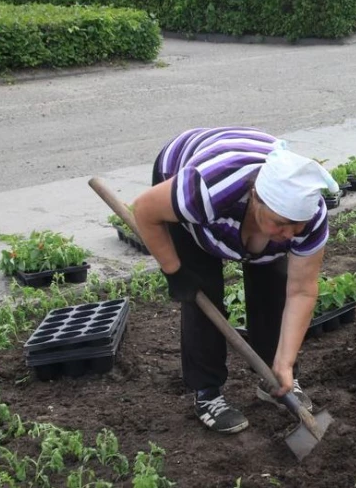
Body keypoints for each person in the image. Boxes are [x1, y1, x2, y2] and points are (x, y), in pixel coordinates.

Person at [133, 127, 338, 434]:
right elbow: (145, 211)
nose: (289, 235)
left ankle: (275, 377)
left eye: (297, 227)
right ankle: (207, 393)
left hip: (245, 197)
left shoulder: (308, 218)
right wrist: (173, 271)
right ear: (255, 198)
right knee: (203, 291)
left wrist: (285, 361)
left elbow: (302, 291)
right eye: (282, 224)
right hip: (182, 168)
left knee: (275, 282)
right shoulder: (207, 191)